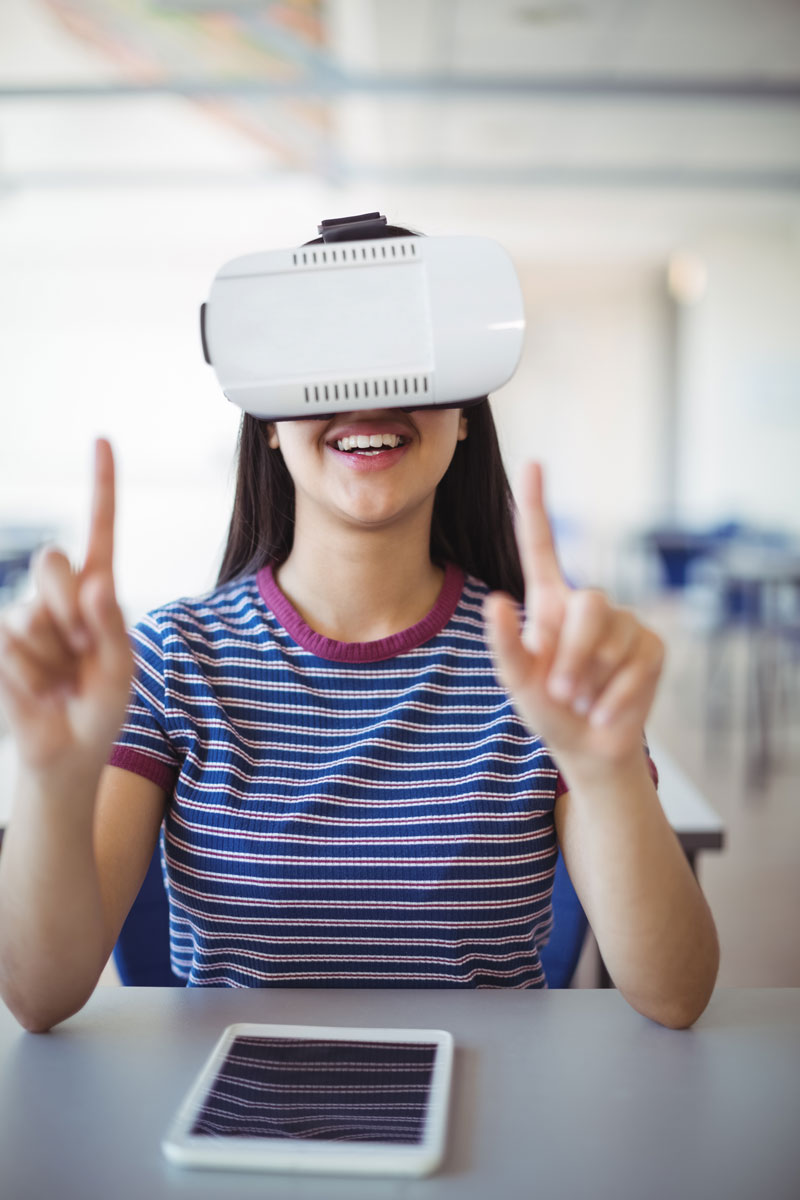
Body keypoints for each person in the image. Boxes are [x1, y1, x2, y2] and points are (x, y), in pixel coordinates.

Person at [0, 225, 719, 1034]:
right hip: (231, 1128)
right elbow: (39, 994)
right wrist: (53, 782)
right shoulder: (173, 658)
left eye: (403, 351)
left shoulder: (540, 666)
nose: (367, 394)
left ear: (466, 414)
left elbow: (676, 994)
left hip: (494, 1129)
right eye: (323, 359)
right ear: (268, 419)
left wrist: (610, 770)